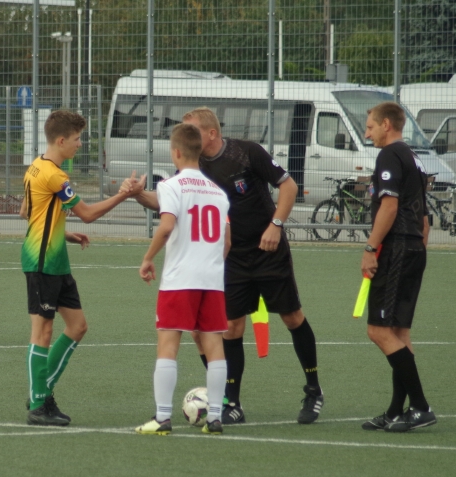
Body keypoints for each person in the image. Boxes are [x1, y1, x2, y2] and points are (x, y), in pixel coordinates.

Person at [125, 107, 324, 424]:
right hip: (229, 257)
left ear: (212, 133)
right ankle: (232, 402)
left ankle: (314, 389)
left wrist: (276, 224)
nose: (188, 137)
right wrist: (138, 195)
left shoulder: (247, 152)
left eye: (193, 130)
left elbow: (288, 187)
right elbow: (168, 200)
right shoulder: (195, 166)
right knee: (230, 328)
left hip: (267, 249)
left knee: (292, 316)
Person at [20, 110, 135, 426]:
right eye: (76, 139)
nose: (80, 144)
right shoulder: (55, 175)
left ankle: (41, 394)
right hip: (42, 262)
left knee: (78, 326)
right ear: (60, 140)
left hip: (55, 261)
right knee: (42, 331)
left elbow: (27, 212)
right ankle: (38, 405)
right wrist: (124, 194)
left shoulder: (36, 167)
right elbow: (86, 213)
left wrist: (63, 233)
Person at [133, 124, 231, 436]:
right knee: (214, 344)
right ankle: (215, 417)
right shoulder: (218, 192)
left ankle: (162, 418)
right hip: (212, 280)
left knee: (168, 341)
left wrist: (148, 258)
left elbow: (166, 226)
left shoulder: (172, 186)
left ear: (176, 152)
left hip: (180, 280)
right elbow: (227, 242)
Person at [360, 102, 436, 432]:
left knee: (378, 330)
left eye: (371, 127)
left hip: (397, 248)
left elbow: (389, 207)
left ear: (387, 124)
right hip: (413, 247)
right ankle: (395, 411)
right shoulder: (414, 158)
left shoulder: (390, 155)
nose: (367, 133)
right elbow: (425, 219)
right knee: (399, 333)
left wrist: (370, 248)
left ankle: (420, 407)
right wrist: (415, 248)